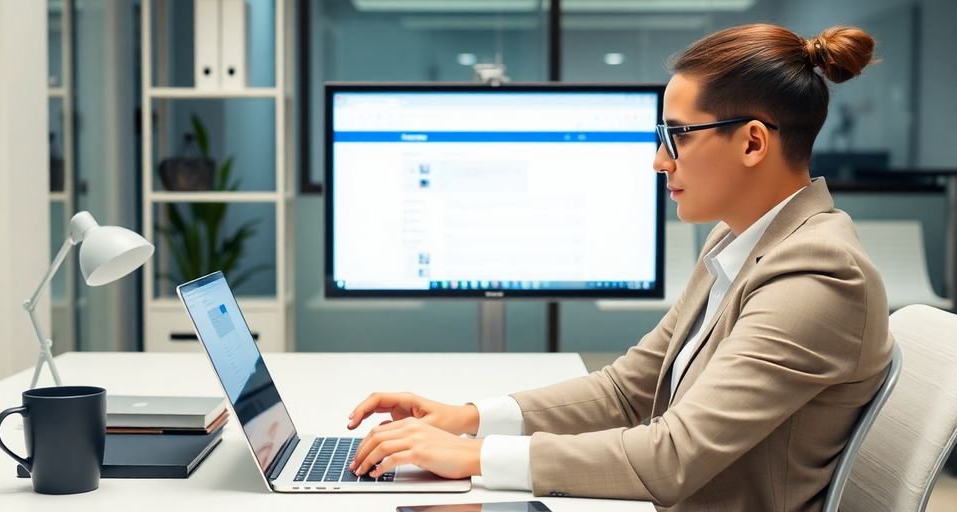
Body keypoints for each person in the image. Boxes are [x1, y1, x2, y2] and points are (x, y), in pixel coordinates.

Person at [345, 23, 892, 511]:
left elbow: (670, 458)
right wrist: (463, 419)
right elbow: (630, 390)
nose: (659, 161)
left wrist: (476, 456)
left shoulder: (818, 275)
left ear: (752, 142)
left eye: (675, 136)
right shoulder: (738, 241)